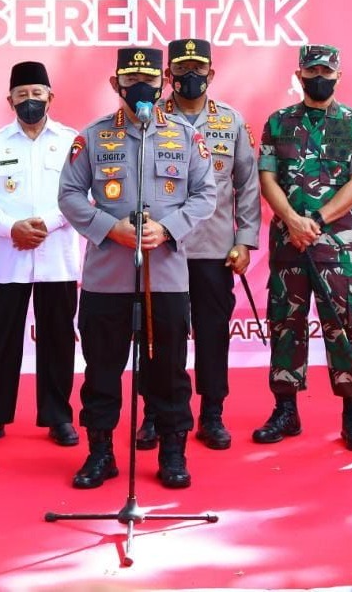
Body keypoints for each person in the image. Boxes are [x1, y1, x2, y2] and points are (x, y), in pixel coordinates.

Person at [58, 47, 216, 490]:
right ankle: (101, 452)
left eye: (149, 79)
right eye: (131, 80)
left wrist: (166, 230)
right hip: (106, 276)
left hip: (164, 276)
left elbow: (205, 195)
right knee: (101, 368)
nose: (141, 88)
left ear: (163, 83)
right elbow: (69, 195)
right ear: (116, 85)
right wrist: (111, 229)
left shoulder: (185, 137)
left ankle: (172, 452)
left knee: (167, 370)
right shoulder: (91, 137)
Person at [133, 39, 261, 451]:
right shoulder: (149, 118)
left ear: (211, 73)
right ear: (168, 75)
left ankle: (212, 413)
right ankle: (155, 414)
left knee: (212, 334)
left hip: (214, 249)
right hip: (162, 249)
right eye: (182, 69)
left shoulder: (231, 121)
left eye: (198, 69)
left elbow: (247, 184)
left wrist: (245, 241)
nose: (190, 77)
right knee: (158, 335)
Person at [253, 43, 352, 451]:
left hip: (335, 246)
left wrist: (317, 221)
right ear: (299, 74)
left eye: (326, 71)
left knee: (343, 326)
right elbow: (267, 178)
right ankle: (286, 410)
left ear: (338, 75)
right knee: (286, 324)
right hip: (289, 242)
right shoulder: (279, 122)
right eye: (311, 71)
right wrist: (292, 220)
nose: (318, 77)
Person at [0, 61, 82, 449]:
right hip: (9, 258)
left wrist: (45, 224)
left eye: (37, 94)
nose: (30, 101)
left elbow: (84, 194)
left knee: (58, 339)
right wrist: (10, 227)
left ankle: (58, 417)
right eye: (22, 95)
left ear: (50, 96)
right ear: (10, 100)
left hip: (57, 258)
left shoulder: (71, 141)